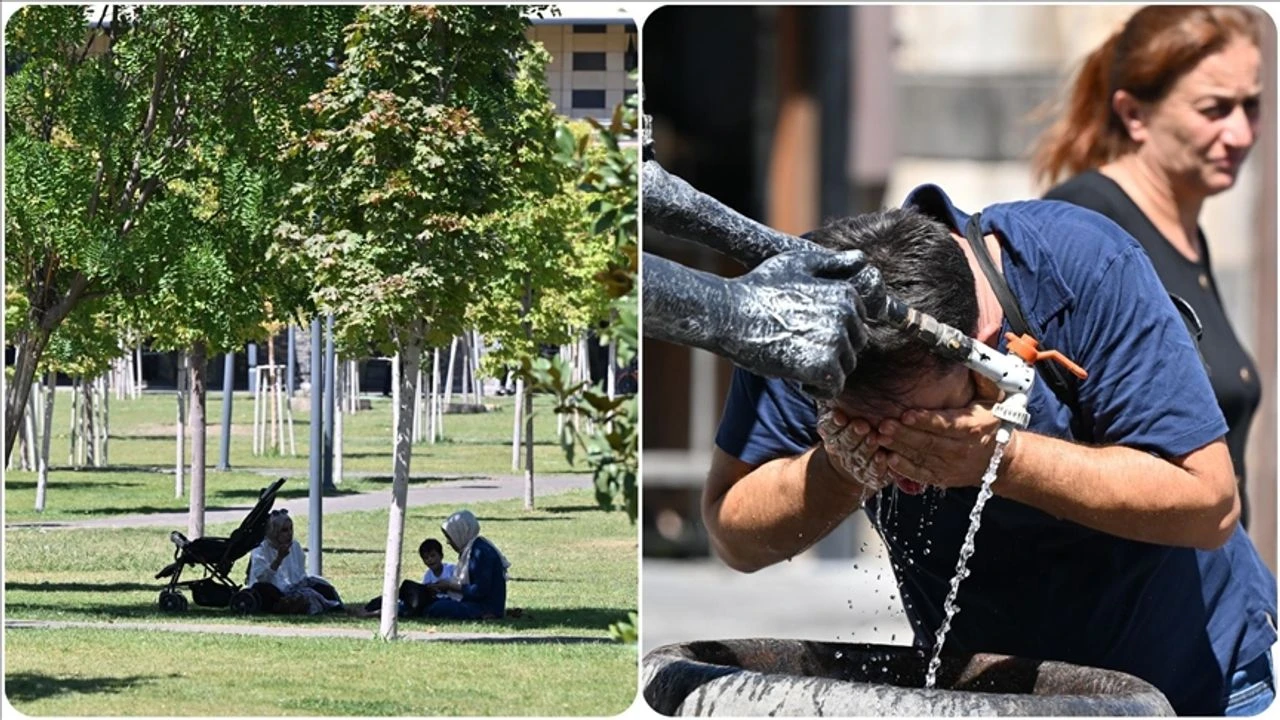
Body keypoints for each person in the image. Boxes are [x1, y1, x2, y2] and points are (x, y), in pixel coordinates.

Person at [707, 184, 1276, 716]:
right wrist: (841, 468)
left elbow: (1210, 502)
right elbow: (733, 533)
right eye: (865, 429)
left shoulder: (1085, 270)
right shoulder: (807, 316)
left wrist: (1001, 459)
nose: (903, 467)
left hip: (1196, 687)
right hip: (990, 698)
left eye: (922, 427)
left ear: (981, 354)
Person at [1030, 5, 1264, 528]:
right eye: (1214, 110)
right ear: (1134, 114)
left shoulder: (1186, 228)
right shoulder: (1085, 224)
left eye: (1251, 106)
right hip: (1122, 595)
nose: (1241, 134)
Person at [246, 509, 344, 615]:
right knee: (305, 595)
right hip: (271, 589)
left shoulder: (294, 546)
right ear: (274, 532)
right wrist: (279, 559)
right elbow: (262, 578)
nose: (289, 533)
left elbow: (299, 575)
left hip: (293, 587)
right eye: (284, 530)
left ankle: (336, 606)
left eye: (290, 529)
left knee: (322, 585)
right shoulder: (261, 549)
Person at [424, 509, 511, 620]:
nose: (448, 542)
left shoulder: (480, 552)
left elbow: (478, 591)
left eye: (449, 537)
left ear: (460, 532)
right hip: (475, 603)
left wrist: (449, 586)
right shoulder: (471, 549)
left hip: (485, 608)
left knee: (438, 607)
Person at [359, 538, 458, 617]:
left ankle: (374, 612)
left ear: (441, 556)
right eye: (426, 558)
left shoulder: (451, 569)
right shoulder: (428, 574)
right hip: (428, 601)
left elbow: (457, 586)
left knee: (406, 602)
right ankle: (373, 609)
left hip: (443, 601)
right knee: (404, 599)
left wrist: (445, 586)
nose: (430, 560)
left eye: (433, 556)